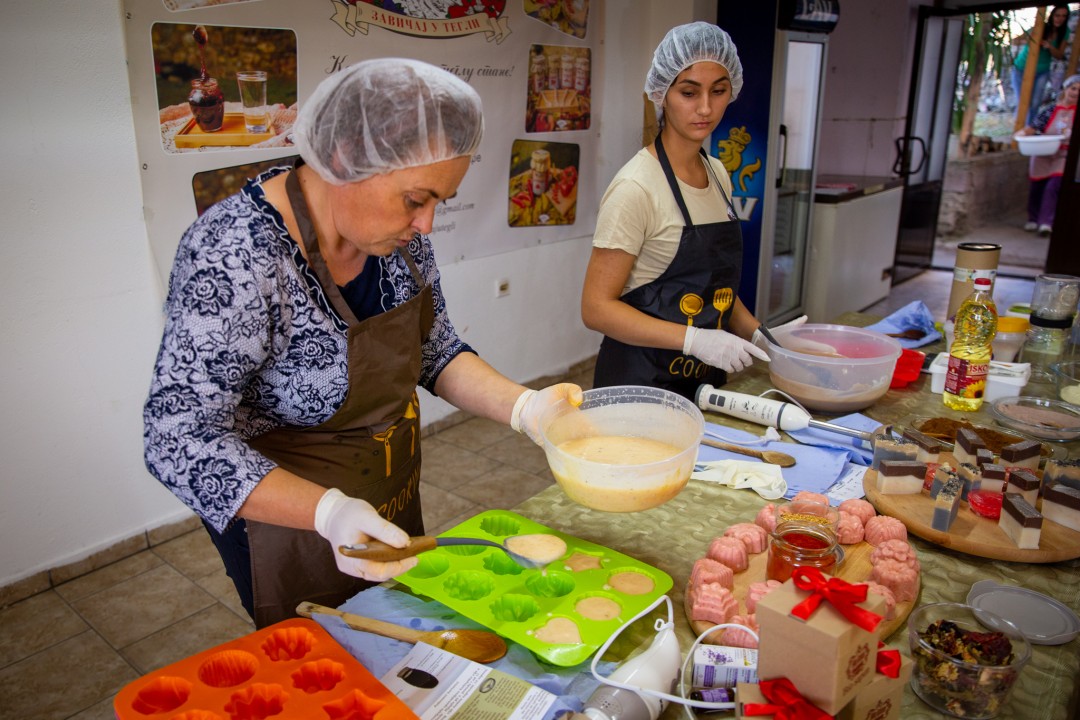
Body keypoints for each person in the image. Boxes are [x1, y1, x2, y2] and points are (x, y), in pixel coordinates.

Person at [144, 59, 581, 628]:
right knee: (325, 654)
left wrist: (529, 408)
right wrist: (327, 511)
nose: (426, 225)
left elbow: (434, 349)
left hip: (386, 483)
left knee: (397, 630)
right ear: (346, 161)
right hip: (288, 512)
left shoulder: (398, 242)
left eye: (439, 203)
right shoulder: (237, 255)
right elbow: (175, 437)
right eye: (415, 199)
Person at [580, 22, 803, 401]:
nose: (705, 108)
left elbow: (715, 290)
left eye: (718, 91)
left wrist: (760, 336)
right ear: (662, 94)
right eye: (688, 92)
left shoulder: (717, 173)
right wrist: (694, 338)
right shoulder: (636, 187)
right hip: (639, 386)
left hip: (702, 386)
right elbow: (596, 308)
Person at [1018, 74, 1078, 236]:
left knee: (1054, 185)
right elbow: (1034, 127)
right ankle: (1033, 218)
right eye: (1073, 88)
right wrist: (1022, 134)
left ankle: (1046, 222)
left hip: (1063, 155)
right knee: (1037, 187)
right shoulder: (1051, 109)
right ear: (1066, 89)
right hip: (1042, 152)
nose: (1076, 93)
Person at [1011, 6, 1071, 128]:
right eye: (1057, 15)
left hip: (1042, 71)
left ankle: (1029, 129)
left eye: (1064, 16)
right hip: (1021, 68)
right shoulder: (1041, 27)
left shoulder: (1065, 32)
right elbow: (1022, 40)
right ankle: (1018, 129)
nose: (1060, 19)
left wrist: (1049, 46)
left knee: (1035, 103)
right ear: (1052, 15)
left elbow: (1059, 55)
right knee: (1023, 102)